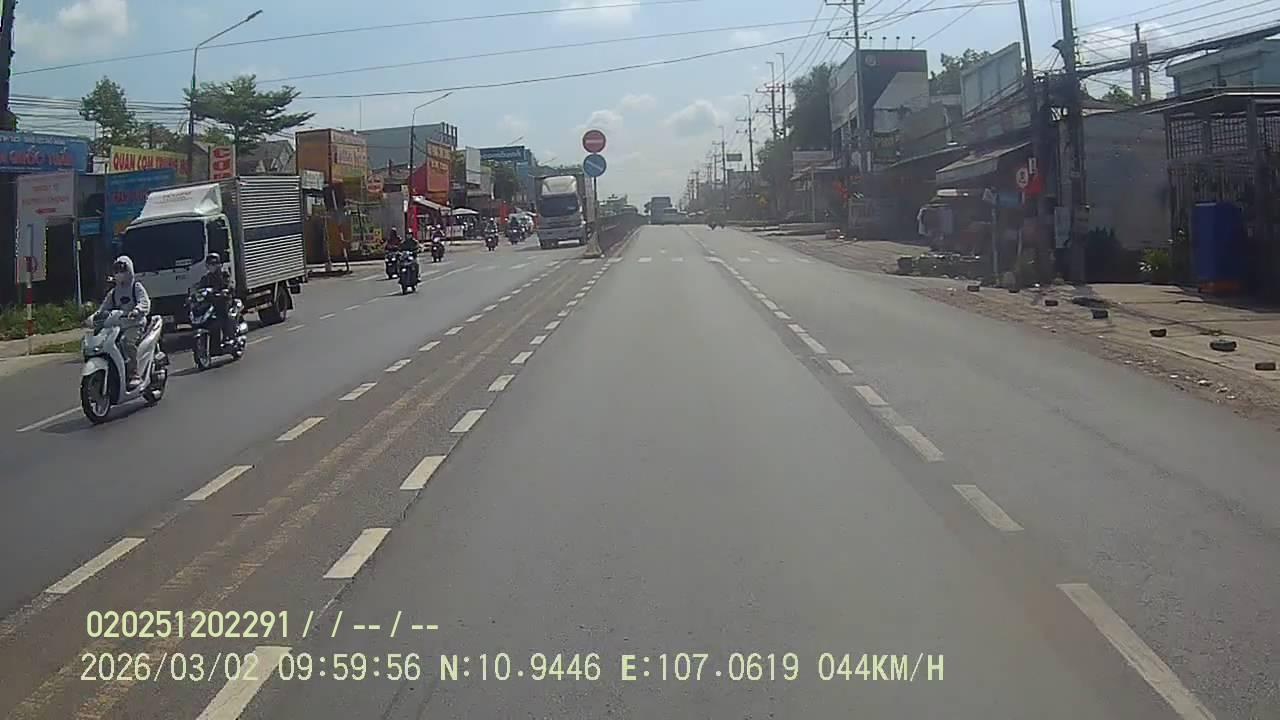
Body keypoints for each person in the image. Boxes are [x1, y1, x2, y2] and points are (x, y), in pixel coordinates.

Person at [94, 256, 151, 390]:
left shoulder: (136, 287)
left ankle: (134, 374)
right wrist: (93, 318)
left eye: (122, 270)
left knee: (126, 342)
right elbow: (103, 308)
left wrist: (137, 310)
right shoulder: (114, 292)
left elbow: (144, 301)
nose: (119, 274)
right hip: (117, 326)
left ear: (129, 270)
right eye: (117, 270)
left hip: (135, 324)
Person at [196, 253, 235, 341]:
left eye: (214, 264)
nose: (212, 266)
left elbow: (230, 284)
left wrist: (225, 291)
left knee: (223, 313)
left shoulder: (224, 274)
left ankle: (228, 335)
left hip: (223, 300)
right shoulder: (206, 277)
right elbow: (199, 288)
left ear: (218, 264)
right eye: (209, 264)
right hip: (211, 301)